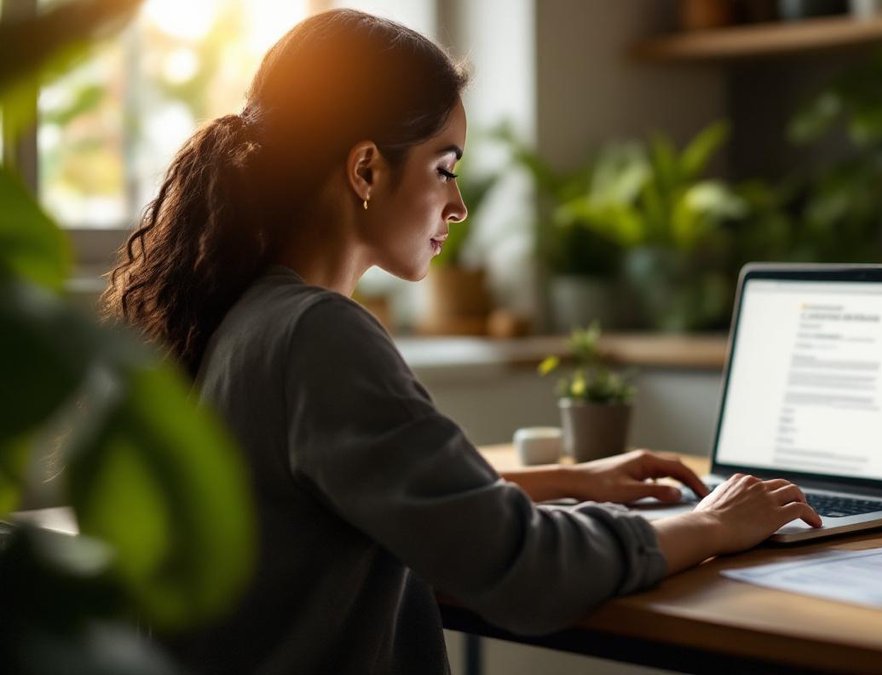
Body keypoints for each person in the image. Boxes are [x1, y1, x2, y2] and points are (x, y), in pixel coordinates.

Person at [102, 9, 821, 674]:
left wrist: (572, 479)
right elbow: (523, 566)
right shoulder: (316, 333)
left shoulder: (251, 311)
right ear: (365, 168)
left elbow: (357, 493)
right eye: (445, 168)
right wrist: (709, 523)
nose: (459, 204)